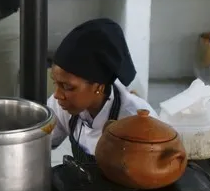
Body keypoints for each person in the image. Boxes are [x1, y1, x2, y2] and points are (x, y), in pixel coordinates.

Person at [47, 18, 155, 165]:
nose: (57, 95)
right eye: (55, 83)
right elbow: (40, 142)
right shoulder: (61, 105)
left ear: (98, 87)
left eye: (67, 87)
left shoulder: (135, 122)